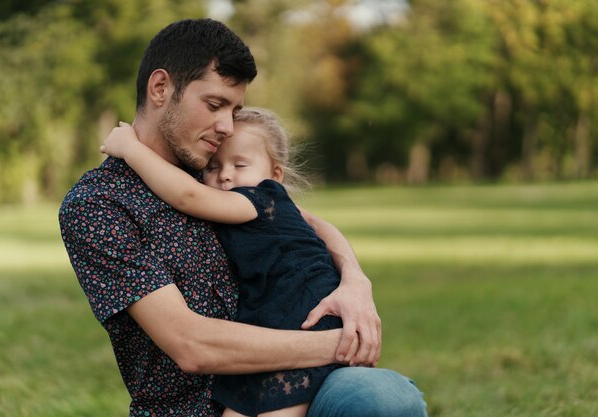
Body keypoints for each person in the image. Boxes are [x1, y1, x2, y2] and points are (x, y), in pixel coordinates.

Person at [59, 18, 427, 417]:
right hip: (192, 408)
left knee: (383, 399)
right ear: (161, 88)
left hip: (294, 382)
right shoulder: (98, 204)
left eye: (234, 109)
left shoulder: (216, 173)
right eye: (215, 105)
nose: (226, 126)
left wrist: (356, 281)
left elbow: (303, 220)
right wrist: (343, 342)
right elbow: (191, 345)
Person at [100, 108, 346, 416]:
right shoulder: (248, 205)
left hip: (305, 316)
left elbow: (188, 195)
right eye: (214, 166)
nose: (225, 174)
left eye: (239, 164)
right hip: (268, 323)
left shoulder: (261, 199)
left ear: (276, 176)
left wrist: (131, 149)